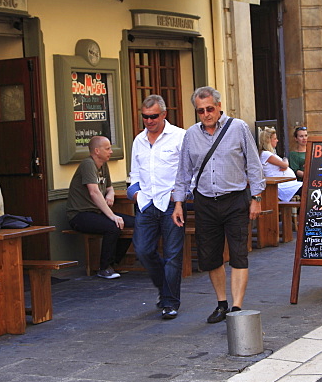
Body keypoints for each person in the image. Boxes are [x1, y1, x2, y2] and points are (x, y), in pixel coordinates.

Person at [172, 87, 265, 324]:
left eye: (210, 109)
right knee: (210, 256)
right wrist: (178, 203)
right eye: (201, 111)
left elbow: (254, 165)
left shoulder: (238, 128)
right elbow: (183, 172)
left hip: (235, 199)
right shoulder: (191, 135)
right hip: (205, 202)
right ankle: (222, 303)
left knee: (238, 254)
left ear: (219, 106)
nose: (206, 114)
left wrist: (256, 198)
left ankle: (236, 308)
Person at [127, 95, 186, 319]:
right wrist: (136, 194)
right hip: (146, 203)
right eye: (145, 117)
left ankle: (170, 302)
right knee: (142, 250)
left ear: (164, 114)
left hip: (172, 204)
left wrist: (179, 196)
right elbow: (134, 173)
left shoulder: (180, 136)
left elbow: (188, 171)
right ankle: (165, 287)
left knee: (173, 255)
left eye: (153, 116)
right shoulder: (138, 140)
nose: (149, 121)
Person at [67, 136, 135, 279]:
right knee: (113, 226)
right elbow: (94, 191)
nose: (111, 151)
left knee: (133, 223)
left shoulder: (103, 165)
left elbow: (109, 187)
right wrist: (112, 215)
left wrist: (110, 193)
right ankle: (104, 268)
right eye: (108, 148)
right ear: (97, 151)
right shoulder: (88, 164)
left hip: (97, 212)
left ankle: (114, 263)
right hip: (80, 215)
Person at [258, 127, 303, 202]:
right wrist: (285, 163)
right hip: (281, 186)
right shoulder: (266, 154)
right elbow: (285, 165)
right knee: (306, 189)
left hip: (288, 184)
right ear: (268, 140)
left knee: (308, 188)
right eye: (275, 139)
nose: (277, 140)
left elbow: (284, 164)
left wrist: (284, 161)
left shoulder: (271, 153)